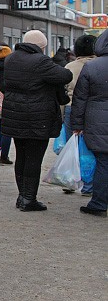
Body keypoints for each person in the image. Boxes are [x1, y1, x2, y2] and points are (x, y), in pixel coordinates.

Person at [0, 30, 72, 212]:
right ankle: (29, 199)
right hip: (37, 116)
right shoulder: (41, 61)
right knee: (34, 158)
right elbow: (65, 76)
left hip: (15, 115)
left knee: (22, 156)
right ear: (41, 46)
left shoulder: (11, 59)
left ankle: (21, 196)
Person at [70, 29, 108, 218]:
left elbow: (80, 97)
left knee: (103, 162)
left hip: (96, 121)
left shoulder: (92, 67)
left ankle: (99, 202)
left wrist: (77, 124)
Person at [63, 34, 97, 196]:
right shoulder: (99, 65)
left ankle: (70, 181)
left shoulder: (70, 66)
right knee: (92, 149)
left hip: (71, 109)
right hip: (94, 110)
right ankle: (89, 185)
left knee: (73, 147)